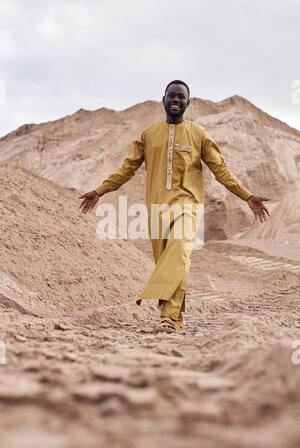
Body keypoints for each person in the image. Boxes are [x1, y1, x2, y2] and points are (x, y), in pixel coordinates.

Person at [79, 80, 270, 332]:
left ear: (188, 103)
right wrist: (100, 190)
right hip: (156, 209)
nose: (176, 100)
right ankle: (175, 319)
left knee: (179, 252)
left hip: (187, 206)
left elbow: (220, 169)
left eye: (181, 97)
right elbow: (126, 169)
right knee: (169, 262)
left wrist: (246, 195)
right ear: (163, 100)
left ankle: (166, 316)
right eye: (172, 96)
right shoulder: (148, 134)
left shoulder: (199, 134)